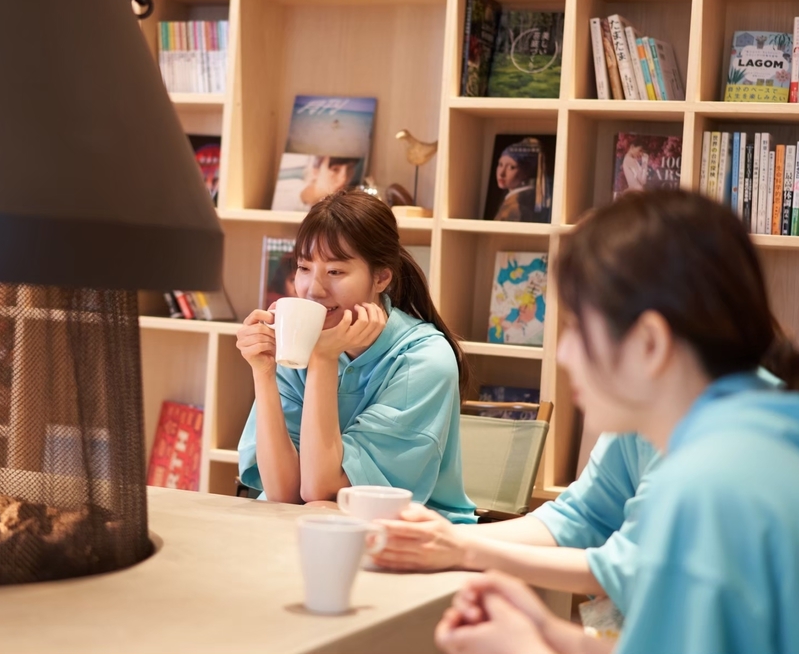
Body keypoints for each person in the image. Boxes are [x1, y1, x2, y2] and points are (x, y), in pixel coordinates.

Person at [434, 189, 799, 654]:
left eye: (575, 328)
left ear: (649, 343)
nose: (564, 354)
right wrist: (551, 635)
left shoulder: (707, 480)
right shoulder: (772, 426)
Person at [235, 191, 476, 522]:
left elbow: (320, 489)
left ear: (381, 277)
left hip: (416, 535)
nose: (313, 289)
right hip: (304, 523)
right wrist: (262, 371)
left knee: (320, 512)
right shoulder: (300, 338)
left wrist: (323, 358)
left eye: (335, 272)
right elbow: (282, 492)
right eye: (304, 268)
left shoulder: (425, 360)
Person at [373, 431, 659, 616]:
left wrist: (464, 548)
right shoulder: (635, 427)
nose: (564, 354)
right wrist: (446, 536)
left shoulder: (694, 455)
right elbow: (581, 516)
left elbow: (630, 571)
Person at [271, 155, 362, 212]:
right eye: (335, 169)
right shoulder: (282, 195)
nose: (344, 178)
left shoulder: (349, 209)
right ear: (315, 171)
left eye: (350, 168)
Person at [488, 138, 544, 223]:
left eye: (511, 167)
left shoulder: (515, 207)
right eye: (500, 164)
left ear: (526, 172)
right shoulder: (512, 201)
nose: (501, 173)